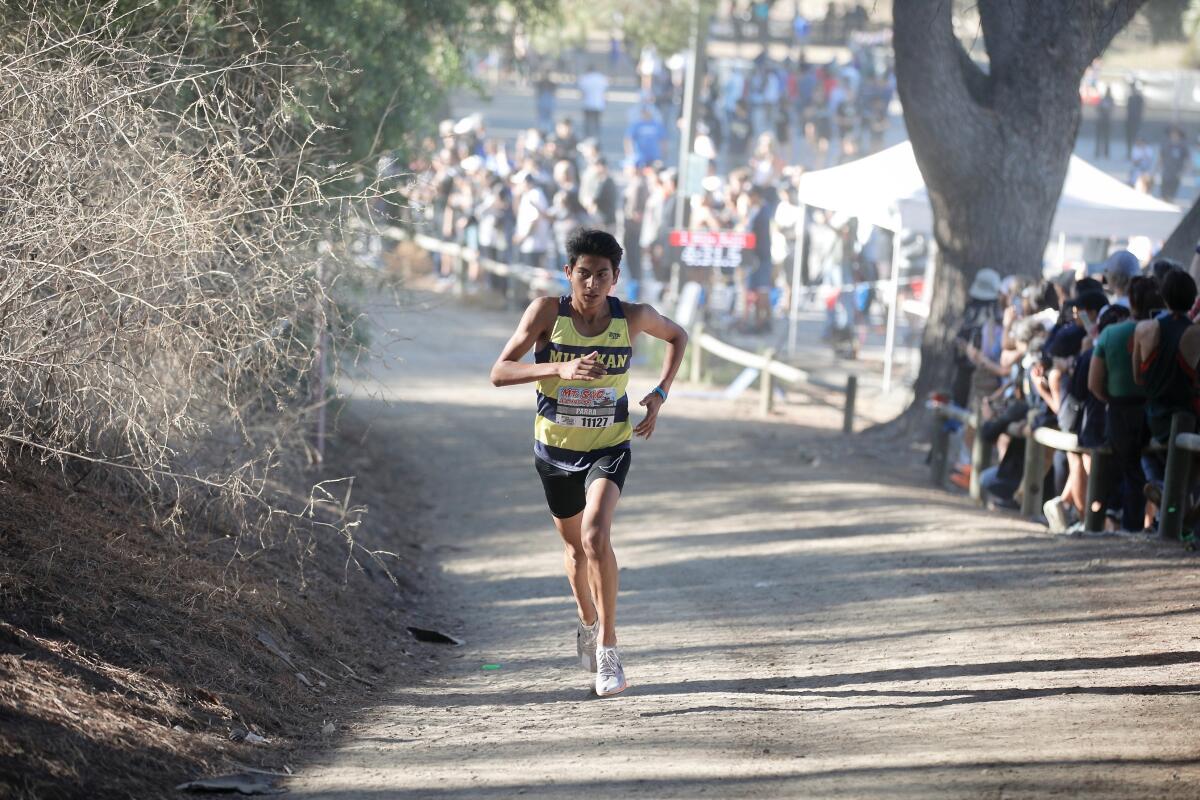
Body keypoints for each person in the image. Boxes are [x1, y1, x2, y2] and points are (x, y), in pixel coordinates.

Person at [489, 228, 688, 697]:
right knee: (576, 549)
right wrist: (557, 368)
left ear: (616, 277)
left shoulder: (633, 316)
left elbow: (678, 336)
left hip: (610, 445)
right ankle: (586, 620)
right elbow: (499, 372)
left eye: (603, 275)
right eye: (584, 274)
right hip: (555, 451)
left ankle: (609, 649)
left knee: (597, 536)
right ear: (568, 274)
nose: (593, 285)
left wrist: (660, 393)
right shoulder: (545, 313)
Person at [578, 64, 609, 140]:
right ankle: (596, 137)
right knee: (597, 121)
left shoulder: (584, 78)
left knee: (588, 122)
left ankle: (588, 137)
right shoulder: (601, 78)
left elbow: (582, 93)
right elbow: (604, 92)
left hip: (587, 104)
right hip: (599, 104)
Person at [1160, 125, 1190, 203]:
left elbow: (1187, 159)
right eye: (1172, 133)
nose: (1174, 135)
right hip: (1167, 170)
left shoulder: (1182, 146)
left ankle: (1170, 198)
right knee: (1164, 187)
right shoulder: (1166, 144)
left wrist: (1184, 170)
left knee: (1173, 187)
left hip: (1177, 171)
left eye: (1176, 134)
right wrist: (1160, 166)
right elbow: (1161, 156)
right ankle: (1164, 199)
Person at [1125, 81, 1145, 159]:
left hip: (1136, 122)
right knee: (1129, 138)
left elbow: (1141, 110)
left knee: (1137, 138)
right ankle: (1129, 153)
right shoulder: (1130, 98)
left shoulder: (1139, 98)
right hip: (1129, 121)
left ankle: (1137, 154)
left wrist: (1139, 120)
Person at [1095, 86, 1114, 159]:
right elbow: (1098, 108)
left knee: (1106, 138)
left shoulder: (1111, 100)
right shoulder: (1102, 100)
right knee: (1099, 137)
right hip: (1101, 121)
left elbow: (1111, 109)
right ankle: (1098, 152)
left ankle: (1106, 153)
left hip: (1107, 121)